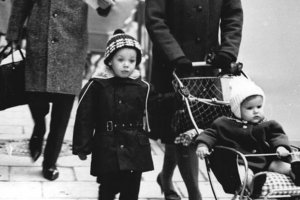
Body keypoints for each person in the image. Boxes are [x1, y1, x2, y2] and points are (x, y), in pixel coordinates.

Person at [145, 0, 243, 199]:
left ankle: (165, 178)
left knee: (197, 129)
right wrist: (175, 55)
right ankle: (194, 195)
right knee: (179, 129)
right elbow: (155, 19)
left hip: (209, 64)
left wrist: (227, 51)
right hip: (173, 65)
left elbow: (233, 15)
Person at [5, 0, 113, 180]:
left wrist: (106, 4)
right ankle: (39, 127)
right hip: (40, 41)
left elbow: (104, 8)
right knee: (35, 97)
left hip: (71, 44)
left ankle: (50, 162)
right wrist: (13, 33)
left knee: (62, 111)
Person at [73, 29, 177, 200]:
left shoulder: (142, 86)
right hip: (107, 147)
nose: (126, 64)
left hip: (135, 147)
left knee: (131, 190)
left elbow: (156, 103)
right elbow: (85, 116)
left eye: (131, 60)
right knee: (108, 187)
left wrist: (176, 97)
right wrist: (82, 146)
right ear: (110, 60)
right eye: (120, 60)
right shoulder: (98, 86)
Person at [195, 77, 300, 190]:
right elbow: (210, 134)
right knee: (244, 174)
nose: (256, 111)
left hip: (265, 160)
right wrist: (203, 145)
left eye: (259, 107)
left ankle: (294, 172)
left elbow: (277, 135)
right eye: (250, 108)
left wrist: (281, 147)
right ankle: (253, 185)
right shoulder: (223, 123)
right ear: (237, 110)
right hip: (242, 162)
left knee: (280, 165)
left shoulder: (267, 124)